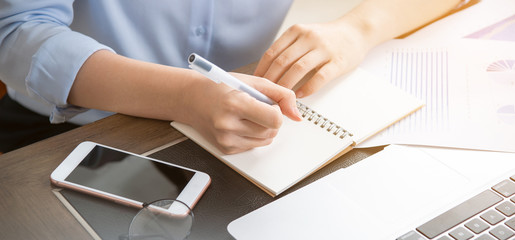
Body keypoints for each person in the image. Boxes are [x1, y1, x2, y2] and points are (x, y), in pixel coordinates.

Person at [0, 0, 464, 154]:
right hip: (67, 133)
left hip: (250, 121)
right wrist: (184, 96)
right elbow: (17, 30)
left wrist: (355, 30)